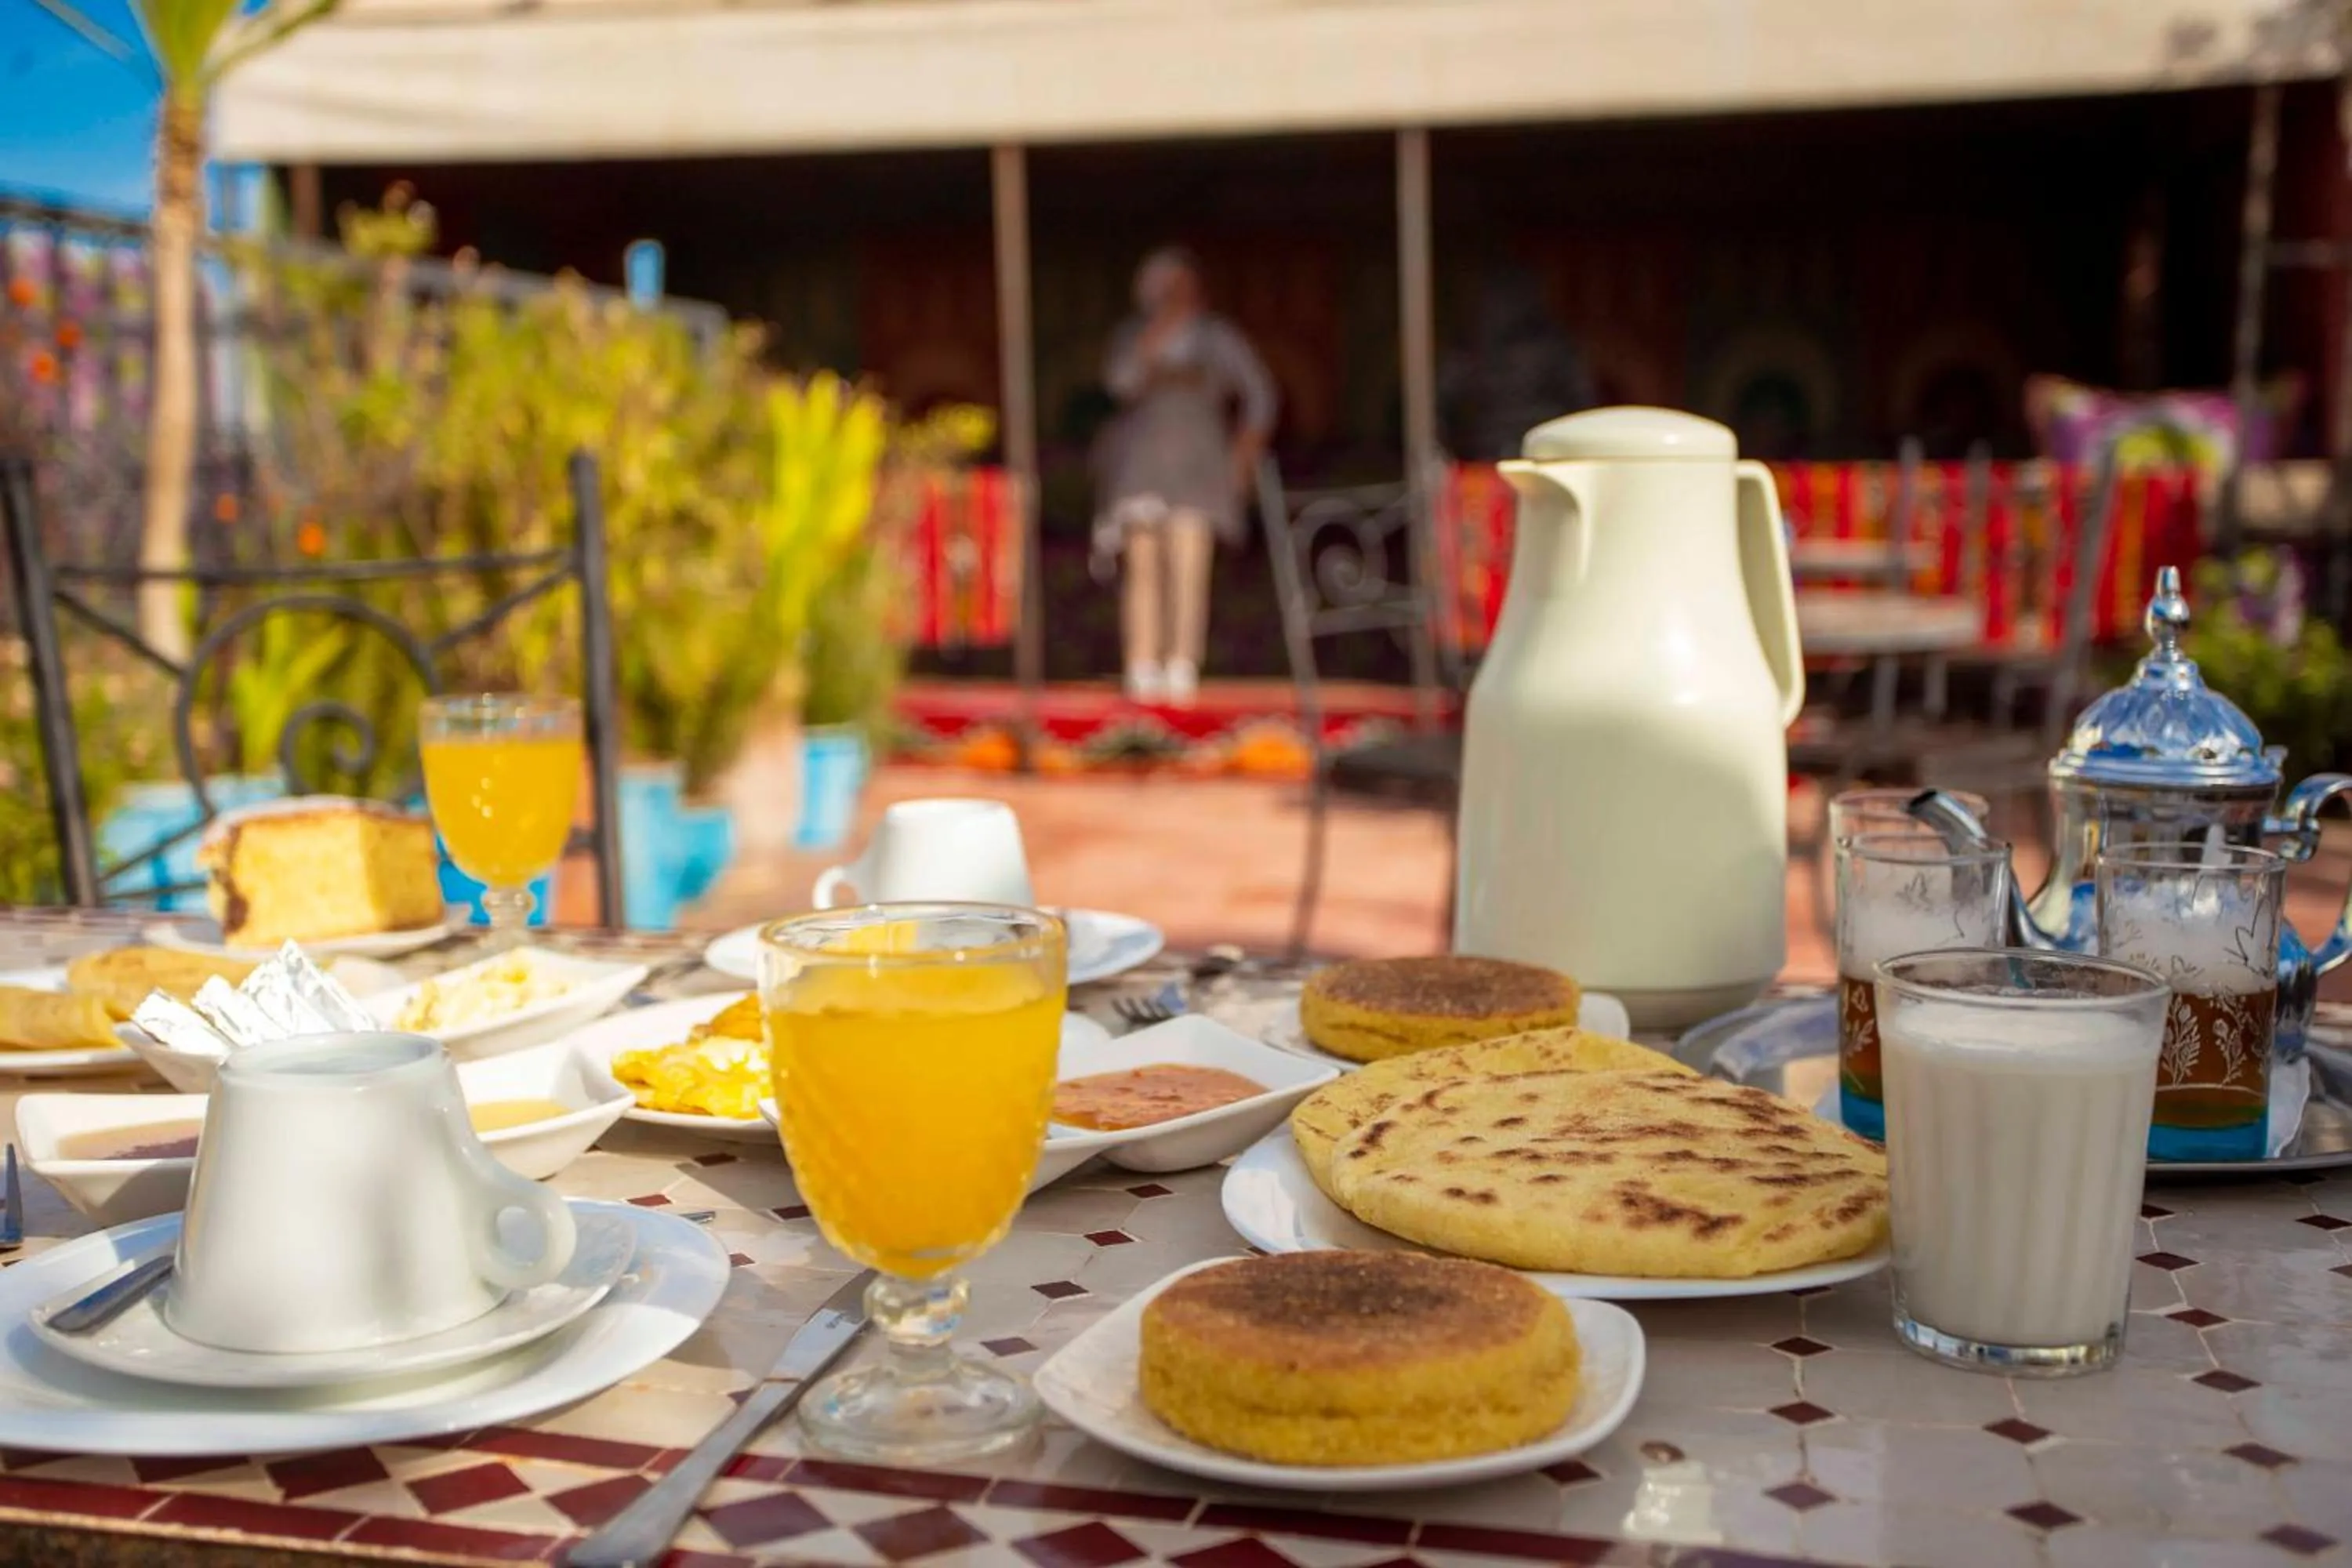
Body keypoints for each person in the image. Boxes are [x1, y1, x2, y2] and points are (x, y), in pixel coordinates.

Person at [1094, 248, 1278, 706]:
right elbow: (1118, 384)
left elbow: (1261, 394)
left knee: (1187, 562)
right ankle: (1141, 664)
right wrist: (1155, 338)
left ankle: (1181, 663)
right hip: (1143, 465)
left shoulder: (1217, 338)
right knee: (1142, 566)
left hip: (1199, 468)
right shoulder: (1134, 336)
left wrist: (1244, 452)